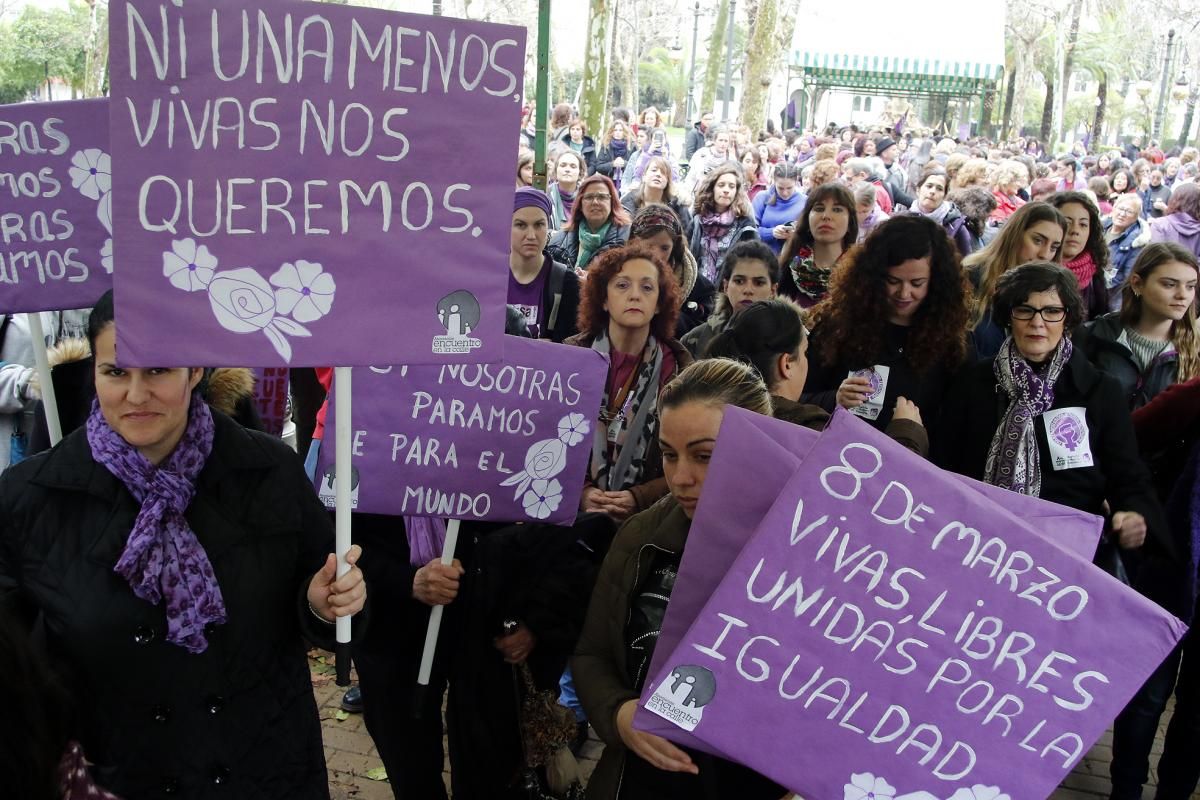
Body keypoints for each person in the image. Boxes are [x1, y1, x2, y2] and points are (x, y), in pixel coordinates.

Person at [0, 290, 365, 799]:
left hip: (259, 769)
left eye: (157, 371)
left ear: (195, 373)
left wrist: (324, 605)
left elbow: (324, 606)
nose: (135, 394)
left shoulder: (268, 473)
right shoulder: (31, 498)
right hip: (115, 777)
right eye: (115, 372)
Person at [571, 358, 787, 800]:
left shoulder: (810, 549)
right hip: (642, 782)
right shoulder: (641, 537)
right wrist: (619, 714)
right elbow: (592, 654)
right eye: (669, 454)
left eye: (705, 456)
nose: (680, 478)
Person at [935, 262, 1169, 581]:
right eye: (1025, 310)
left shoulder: (1099, 391)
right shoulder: (972, 382)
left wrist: (1132, 513)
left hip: (1063, 562)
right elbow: (943, 464)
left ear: (1067, 318)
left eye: (1051, 312)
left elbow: (1127, 475)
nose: (1037, 323)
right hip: (974, 546)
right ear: (1008, 317)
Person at [1110, 376, 1200, 800]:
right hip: (1172, 569)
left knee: (1197, 713)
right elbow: (1127, 437)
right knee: (1147, 694)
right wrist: (1137, 503)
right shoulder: (1197, 394)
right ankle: (1125, 791)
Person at [803, 215, 971, 433]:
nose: (904, 293)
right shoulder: (838, 325)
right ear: (872, 277)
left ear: (937, 281)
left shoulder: (952, 343)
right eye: (893, 281)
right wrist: (833, 399)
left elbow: (955, 426)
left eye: (916, 283)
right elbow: (795, 396)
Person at [567, 243, 691, 522]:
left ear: (660, 303)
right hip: (573, 520)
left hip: (645, 522)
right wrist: (581, 492)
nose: (635, 295)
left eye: (647, 288)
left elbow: (692, 461)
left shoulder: (681, 370)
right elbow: (545, 440)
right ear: (603, 299)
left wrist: (640, 497)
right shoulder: (569, 359)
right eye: (622, 285)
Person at [706, 299, 927, 453]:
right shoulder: (812, 434)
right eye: (804, 352)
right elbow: (873, 495)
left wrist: (834, 400)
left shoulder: (714, 412)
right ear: (786, 364)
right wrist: (907, 432)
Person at [1073, 242, 1199, 410]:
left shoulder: (1194, 348)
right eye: (1169, 284)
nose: (1183, 295)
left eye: (1190, 286)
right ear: (1137, 283)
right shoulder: (1094, 335)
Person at [963, 201, 1067, 358]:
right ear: (1015, 235)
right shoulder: (970, 276)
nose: (1045, 254)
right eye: (1038, 240)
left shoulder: (1049, 294)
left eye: (1054, 247)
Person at [680, 240, 779, 358]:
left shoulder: (790, 335)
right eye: (739, 281)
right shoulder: (695, 340)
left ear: (773, 290)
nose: (748, 290)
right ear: (726, 286)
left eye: (758, 283)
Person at [628, 204, 715, 337]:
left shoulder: (701, 288)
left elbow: (702, 332)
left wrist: (667, 318)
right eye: (649, 246)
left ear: (674, 247)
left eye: (664, 248)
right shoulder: (616, 274)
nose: (656, 255)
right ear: (633, 243)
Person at [508, 187, 580, 342]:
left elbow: (569, 349)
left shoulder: (566, 282)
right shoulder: (489, 277)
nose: (531, 235)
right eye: (521, 225)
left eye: (539, 224)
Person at [777, 182, 858, 307]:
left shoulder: (859, 272)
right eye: (819, 209)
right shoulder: (788, 268)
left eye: (837, 210)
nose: (826, 216)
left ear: (850, 223)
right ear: (807, 219)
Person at [686, 163, 759, 285]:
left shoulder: (745, 224)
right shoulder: (698, 220)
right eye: (721, 185)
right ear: (712, 188)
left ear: (736, 192)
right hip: (697, 287)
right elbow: (687, 256)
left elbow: (753, 262)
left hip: (728, 289)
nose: (726, 190)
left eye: (731, 186)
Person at [548, 173, 631, 274]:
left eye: (602, 197)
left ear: (612, 202)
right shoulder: (559, 241)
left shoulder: (629, 237)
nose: (595, 202)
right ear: (580, 204)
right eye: (589, 197)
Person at [1048, 191, 1111, 322]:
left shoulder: (1095, 273)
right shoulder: (1032, 267)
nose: (1075, 230)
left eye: (1083, 225)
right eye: (1067, 222)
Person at [909, 166, 973, 255]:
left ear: (945, 196)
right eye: (929, 186)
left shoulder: (956, 227)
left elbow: (965, 261)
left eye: (939, 189)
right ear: (918, 190)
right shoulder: (901, 220)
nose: (932, 192)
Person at [1103, 193, 1151, 309]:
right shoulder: (1100, 227)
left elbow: (1128, 282)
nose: (1122, 214)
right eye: (1120, 208)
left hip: (1111, 299)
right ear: (1114, 208)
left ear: (1136, 217)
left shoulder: (1137, 242)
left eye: (1129, 211)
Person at [621, 155, 692, 230]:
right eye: (654, 170)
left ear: (668, 181)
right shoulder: (627, 202)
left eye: (663, 173)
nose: (658, 174)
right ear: (644, 176)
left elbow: (686, 235)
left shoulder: (677, 206)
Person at [752, 162, 805, 256]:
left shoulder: (805, 201)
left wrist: (795, 234)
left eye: (789, 188)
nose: (785, 193)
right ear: (774, 181)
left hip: (793, 258)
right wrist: (771, 232)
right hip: (764, 256)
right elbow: (751, 230)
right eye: (780, 188)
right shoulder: (762, 197)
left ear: (796, 182)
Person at [1149, 183, 1200, 259]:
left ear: (1174, 200)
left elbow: (1155, 257)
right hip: (1193, 269)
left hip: (1166, 269)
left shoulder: (1160, 225)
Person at [684, 126, 735, 193]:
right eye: (720, 140)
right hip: (699, 190)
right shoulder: (701, 153)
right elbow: (691, 177)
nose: (723, 144)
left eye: (726, 141)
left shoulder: (731, 159)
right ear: (714, 141)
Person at [548, 150, 587, 231]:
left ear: (580, 171)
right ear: (556, 170)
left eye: (573, 166)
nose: (567, 169)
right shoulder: (546, 195)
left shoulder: (587, 196)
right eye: (563, 165)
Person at [595, 119, 633, 194]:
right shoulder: (606, 146)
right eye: (615, 130)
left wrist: (625, 164)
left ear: (624, 132)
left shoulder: (631, 146)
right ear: (611, 132)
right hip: (608, 183)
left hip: (626, 184)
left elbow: (636, 167)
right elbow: (599, 166)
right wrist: (612, 164)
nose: (618, 132)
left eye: (620, 130)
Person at [989, 159, 1028, 224]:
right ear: (1006, 180)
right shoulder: (994, 200)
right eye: (1016, 180)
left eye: (1021, 181)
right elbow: (999, 225)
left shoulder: (1018, 201)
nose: (1020, 184)